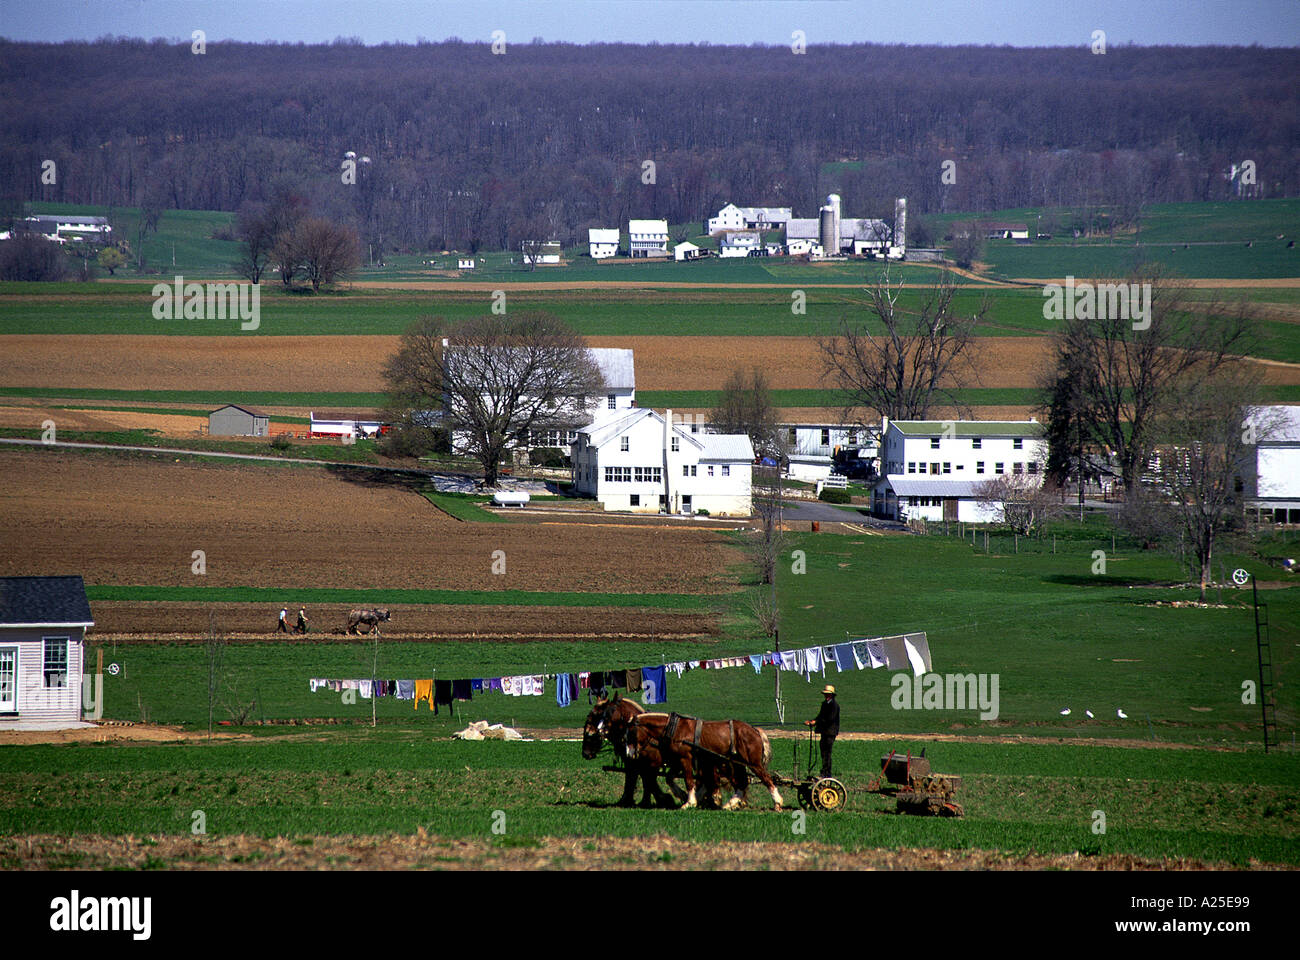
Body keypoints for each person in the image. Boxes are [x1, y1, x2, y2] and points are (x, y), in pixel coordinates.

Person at [805, 685, 839, 778]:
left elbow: (829, 719)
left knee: (827, 753)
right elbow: (820, 716)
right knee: (823, 752)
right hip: (824, 732)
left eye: (828, 694)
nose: (826, 696)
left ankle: (827, 773)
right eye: (825, 694)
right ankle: (824, 771)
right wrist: (812, 721)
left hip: (830, 732)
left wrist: (816, 722)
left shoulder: (834, 706)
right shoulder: (824, 704)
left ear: (831, 695)